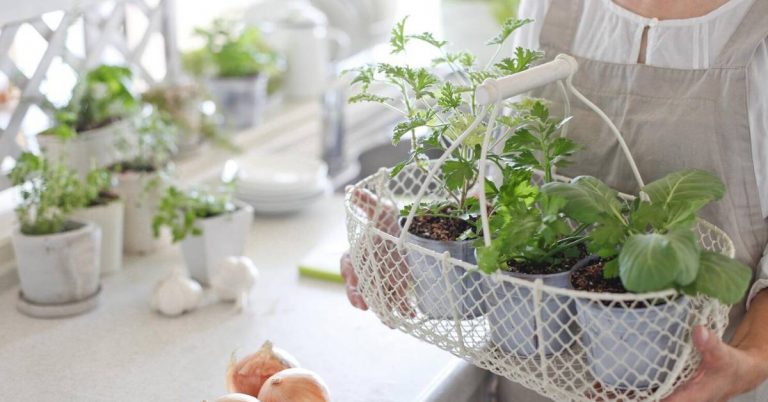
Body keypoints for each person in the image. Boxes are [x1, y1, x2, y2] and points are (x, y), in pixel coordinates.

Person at [341, 0, 768, 401]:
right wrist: (418, 246)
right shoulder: (549, 6)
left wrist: (750, 359)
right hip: (531, 377)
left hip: (698, 385)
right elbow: (506, 191)